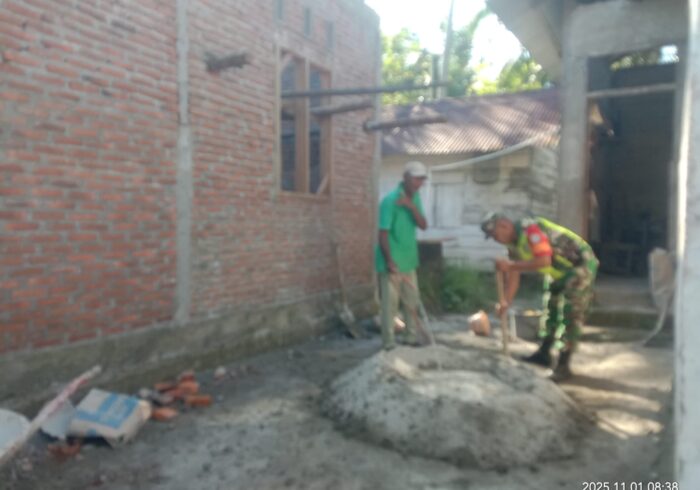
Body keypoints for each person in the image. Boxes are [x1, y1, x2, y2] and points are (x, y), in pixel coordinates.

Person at [480, 212, 599, 381]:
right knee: (550, 309)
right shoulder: (513, 244)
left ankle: (563, 365)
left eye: (495, 235)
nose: (495, 240)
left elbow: (544, 261)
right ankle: (544, 354)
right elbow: (514, 272)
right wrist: (506, 301)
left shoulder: (531, 230)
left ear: (504, 225)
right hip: (559, 271)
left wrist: (510, 265)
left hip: (579, 266)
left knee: (570, 314)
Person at [375, 161, 428, 350]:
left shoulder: (416, 199)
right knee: (390, 305)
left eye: (421, 180)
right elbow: (383, 234)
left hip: (409, 260)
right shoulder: (389, 201)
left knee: (411, 302)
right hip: (391, 262)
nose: (419, 183)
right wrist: (390, 261)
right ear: (405, 178)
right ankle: (388, 342)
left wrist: (411, 207)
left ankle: (410, 337)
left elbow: (423, 225)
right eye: (416, 179)